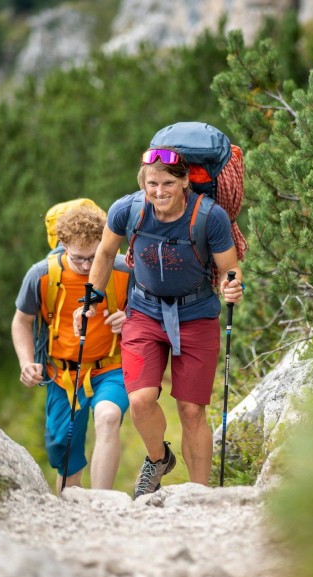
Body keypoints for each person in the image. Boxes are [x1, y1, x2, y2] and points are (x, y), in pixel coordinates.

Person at [76, 147, 244, 499]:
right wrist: (93, 295)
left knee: (192, 410)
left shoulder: (208, 217)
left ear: (185, 182)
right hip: (144, 311)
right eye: (152, 183)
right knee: (139, 400)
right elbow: (106, 253)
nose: (159, 191)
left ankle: (198, 495)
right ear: (142, 183)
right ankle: (158, 458)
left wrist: (232, 287)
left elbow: (230, 267)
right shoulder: (128, 210)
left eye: (168, 182)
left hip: (197, 314)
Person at [11, 205, 132, 492]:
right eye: (79, 259)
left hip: (112, 367)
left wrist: (132, 320)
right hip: (62, 376)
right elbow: (21, 321)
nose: (88, 266)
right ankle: (72, 509)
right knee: (64, 453)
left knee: (108, 416)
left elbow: (152, 313)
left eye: (95, 256)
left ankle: (102, 504)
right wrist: (26, 362)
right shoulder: (41, 275)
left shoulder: (125, 269)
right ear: (62, 244)